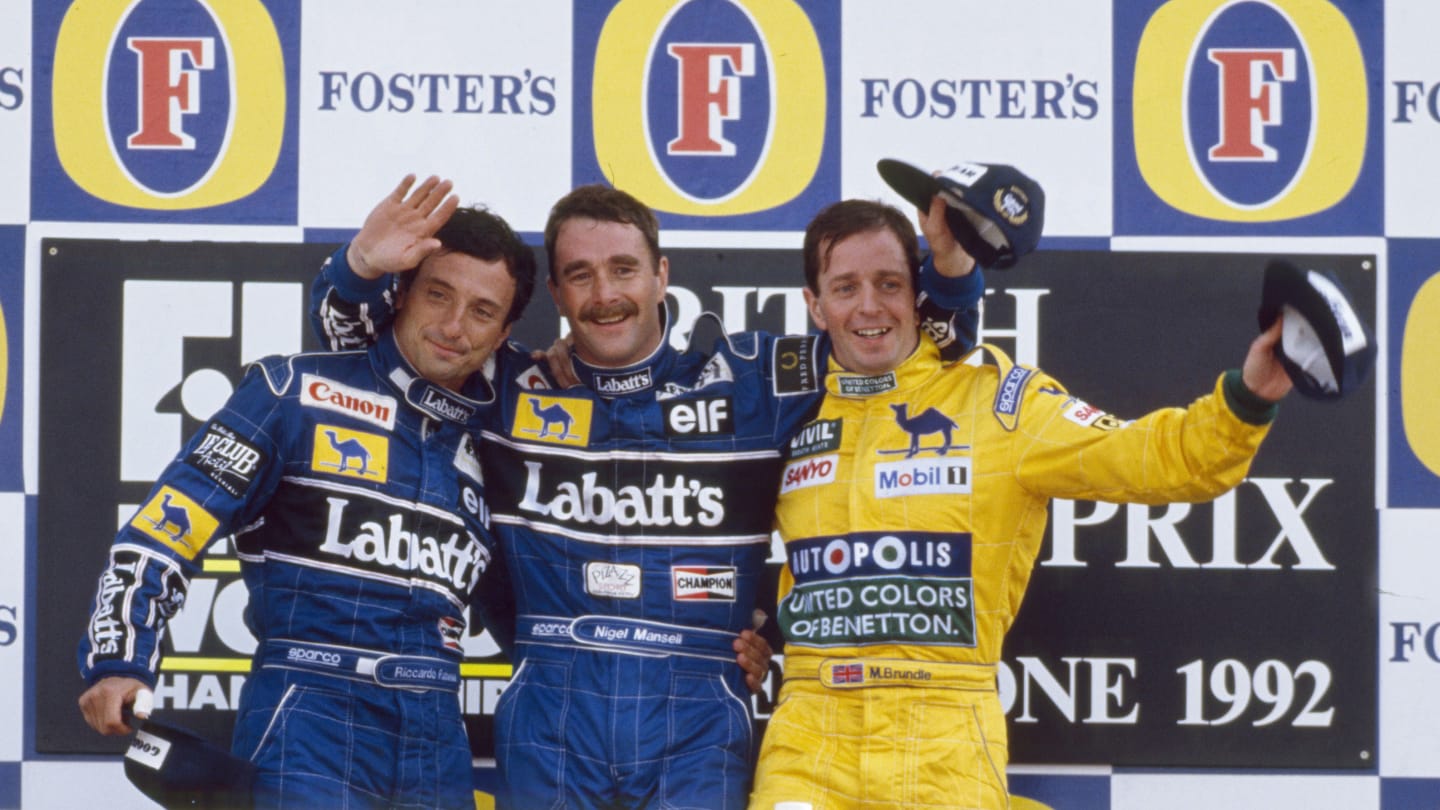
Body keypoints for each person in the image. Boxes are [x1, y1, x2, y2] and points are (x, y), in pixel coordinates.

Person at [310, 180, 985, 809]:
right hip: (550, 709)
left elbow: (913, 346)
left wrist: (951, 269)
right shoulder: (507, 385)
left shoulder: (751, 380)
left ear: (661, 275)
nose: (605, 292)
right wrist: (361, 265)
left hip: (699, 716)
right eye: (581, 274)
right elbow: (366, 361)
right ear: (556, 291)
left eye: (624, 269)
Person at [746, 197, 1295, 810]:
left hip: (945, 741)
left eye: (889, 284)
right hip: (809, 739)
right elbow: (688, 523)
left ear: (916, 293)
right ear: (815, 306)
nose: (869, 305)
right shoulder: (777, 411)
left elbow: (1157, 459)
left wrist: (1248, 398)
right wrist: (745, 628)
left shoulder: (1000, 404)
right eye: (845, 287)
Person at [77, 187, 537, 809]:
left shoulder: (501, 441)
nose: (454, 327)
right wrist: (119, 658)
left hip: (438, 734)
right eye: (438, 294)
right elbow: (163, 529)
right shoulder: (292, 392)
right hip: (308, 712)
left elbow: (537, 608)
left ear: (505, 331)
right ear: (401, 292)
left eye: (482, 311)